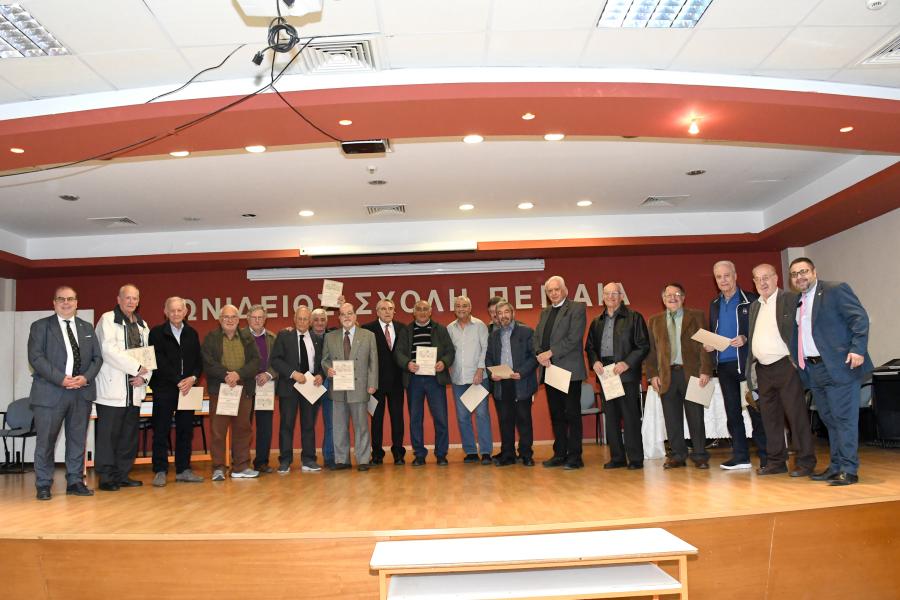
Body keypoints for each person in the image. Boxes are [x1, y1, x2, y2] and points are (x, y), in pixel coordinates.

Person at [789, 257, 873, 486]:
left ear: (814, 272)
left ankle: (849, 469)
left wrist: (857, 349)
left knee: (844, 419)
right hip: (814, 369)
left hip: (840, 366)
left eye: (803, 271)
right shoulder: (798, 301)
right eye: (794, 274)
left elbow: (859, 318)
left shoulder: (835, 290)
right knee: (830, 420)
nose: (799, 277)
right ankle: (836, 466)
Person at [27, 286, 103, 500]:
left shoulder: (86, 327)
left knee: (77, 440)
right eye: (61, 299)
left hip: (81, 392)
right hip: (50, 393)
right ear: (54, 303)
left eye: (70, 299)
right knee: (46, 441)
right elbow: (36, 357)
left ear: (77, 303)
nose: (66, 303)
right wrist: (60, 378)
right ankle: (43, 484)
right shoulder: (41, 327)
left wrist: (85, 377)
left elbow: (97, 358)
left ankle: (75, 481)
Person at [745, 264, 817, 478]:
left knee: (796, 416)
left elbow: (803, 328)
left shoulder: (790, 299)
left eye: (766, 277)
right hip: (763, 369)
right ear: (754, 283)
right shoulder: (754, 306)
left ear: (776, 278)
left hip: (786, 366)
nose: (762, 282)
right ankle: (776, 461)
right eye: (757, 279)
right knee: (770, 418)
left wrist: (796, 360)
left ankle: (805, 461)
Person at [705, 261, 766, 470]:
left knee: (756, 410)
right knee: (732, 413)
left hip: (748, 366)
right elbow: (715, 331)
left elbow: (763, 329)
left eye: (727, 275)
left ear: (735, 276)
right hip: (724, 366)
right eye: (718, 277)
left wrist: (745, 338)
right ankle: (741, 457)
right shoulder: (714, 304)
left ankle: (767, 457)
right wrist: (710, 344)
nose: (723, 280)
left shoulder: (752, 299)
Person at [645, 283, 713, 470]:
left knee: (696, 417)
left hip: (692, 375)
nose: (672, 298)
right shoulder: (654, 321)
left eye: (676, 294)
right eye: (668, 295)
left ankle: (700, 455)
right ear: (663, 299)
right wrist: (652, 375)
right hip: (667, 376)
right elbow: (651, 351)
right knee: (672, 419)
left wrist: (706, 370)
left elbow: (705, 346)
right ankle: (677, 455)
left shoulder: (697, 316)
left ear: (683, 297)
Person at [585, 282, 650, 470]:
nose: (611, 297)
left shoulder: (634, 317)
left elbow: (643, 345)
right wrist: (594, 361)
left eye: (615, 293)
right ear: (602, 297)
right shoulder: (597, 321)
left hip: (626, 374)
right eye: (607, 294)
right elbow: (590, 347)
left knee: (630, 417)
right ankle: (617, 458)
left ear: (621, 296)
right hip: (606, 375)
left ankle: (635, 458)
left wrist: (626, 363)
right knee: (611, 418)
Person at [94, 283, 152, 491]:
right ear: (118, 300)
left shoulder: (142, 325)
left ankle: (122, 475)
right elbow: (108, 351)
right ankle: (106, 477)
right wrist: (137, 368)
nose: (131, 301)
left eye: (135, 298)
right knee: (108, 437)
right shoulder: (108, 319)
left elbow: (148, 356)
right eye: (127, 297)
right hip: (112, 391)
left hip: (134, 391)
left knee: (128, 436)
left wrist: (144, 378)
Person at [147, 296, 204, 486]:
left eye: (180, 310)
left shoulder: (192, 333)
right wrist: (179, 380)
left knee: (185, 431)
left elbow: (198, 361)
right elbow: (159, 361)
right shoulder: (156, 333)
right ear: (166, 312)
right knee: (161, 430)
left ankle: (183, 469)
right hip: (164, 389)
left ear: (185, 312)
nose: (176, 313)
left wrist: (193, 378)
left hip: (188, 389)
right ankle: (160, 470)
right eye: (172, 310)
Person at [201, 304, 260, 480]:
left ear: (238, 320)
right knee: (218, 431)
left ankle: (241, 467)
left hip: (243, 389)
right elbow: (207, 362)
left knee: (243, 429)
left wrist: (238, 374)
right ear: (220, 319)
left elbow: (255, 361)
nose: (230, 320)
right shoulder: (211, 338)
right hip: (220, 390)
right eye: (226, 317)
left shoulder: (247, 338)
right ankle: (218, 468)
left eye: (233, 317)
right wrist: (226, 375)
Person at [534, 275, 587, 470]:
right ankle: (560, 454)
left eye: (557, 289)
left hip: (569, 371)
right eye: (550, 291)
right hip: (550, 370)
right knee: (556, 415)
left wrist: (550, 352)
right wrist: (540, 354)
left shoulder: (577, 308)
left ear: (565, 290)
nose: (554, 293)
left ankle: (575, 457)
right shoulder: (545, 312)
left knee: (572, 415)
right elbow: (537, 337)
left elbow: (574, 338)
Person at [394, 300, 455, 467]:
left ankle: (441, 454)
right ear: (414, 313)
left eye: (425, 309)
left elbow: (450, 351)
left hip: (435, 379)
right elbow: (398, 352)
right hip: (414, 379)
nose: (422, 312)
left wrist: (444, 362)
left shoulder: (440, 329)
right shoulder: (406, 330)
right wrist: (407, 364)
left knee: (441, 418)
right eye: (419, 309)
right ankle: (419, 454)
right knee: (415, 418)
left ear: (430, 312)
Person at [321, 303, 378, 471]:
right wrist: (328, 369)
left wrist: (372, 383)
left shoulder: (368, 335)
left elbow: (373, 362)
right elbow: (324, 360)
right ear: (339, 317)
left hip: (360, 387)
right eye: (343, 314)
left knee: (361, 426)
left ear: (355, 316)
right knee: (339, 426)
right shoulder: (330, 337)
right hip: (338, 387)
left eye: (350, 313)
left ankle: (363, 459)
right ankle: (342, 460)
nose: (346, 316)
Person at [270, 306, 324, 474]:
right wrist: (293, 373)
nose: (302, 322)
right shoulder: (284, 336)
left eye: (305, 319)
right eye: (299, 318)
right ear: (294, 320)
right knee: (286, 425)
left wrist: (321, 375)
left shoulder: (317, 338)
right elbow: (275, 360)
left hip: (310, 387)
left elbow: (322, 361)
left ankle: (309, 459)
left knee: (308, 424)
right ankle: (285, 460)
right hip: (289, 387)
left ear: (310, 321)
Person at [485, 300, 538, 467]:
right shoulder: (493, 335)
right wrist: (491, 373)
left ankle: (526, 454)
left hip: (521, 381)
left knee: (524, 420)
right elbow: (488, 358)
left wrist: (521, 372)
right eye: (499, 313)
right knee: (505, 421)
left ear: (513, 313)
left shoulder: (526, 331)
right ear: (496, 316)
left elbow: (534, 356)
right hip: (501, 383)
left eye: (506, 312)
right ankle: (508, 455)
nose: (503, 316)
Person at [447, 296, 492, 465]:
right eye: (458, 306)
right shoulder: (450, 328)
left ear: (470, 307)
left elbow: (485, 349)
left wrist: (480, 370)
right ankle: (471, 451)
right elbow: (448, 351)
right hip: (458, 379)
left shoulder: (480, 325)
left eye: (464, 306)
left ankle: (486, 452)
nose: (461, 309)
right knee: (462, 416)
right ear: (454, 309)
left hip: (478, 379)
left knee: (482, 415)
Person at [362, 298, 408, 465]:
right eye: (383, 308)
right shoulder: (367, 329)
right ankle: (377, 454)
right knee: (376, 420)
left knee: (397, 419)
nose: (387, 311)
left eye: (390, 308)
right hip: (376, 383)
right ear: (377, 312)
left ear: (394, 311)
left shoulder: (402, 328)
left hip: (397, 382)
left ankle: (398, 453)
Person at [244, 305, 277, 473]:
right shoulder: (240, 336)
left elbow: (279, 361)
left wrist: (269, 374)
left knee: (265, 427)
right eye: (254, 317)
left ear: (265, 319)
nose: (257, 321)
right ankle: (241, 462)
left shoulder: (273, 338)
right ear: (248, 318)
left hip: (266, 387)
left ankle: (262, 462)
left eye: (260, 317)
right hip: (245, 387)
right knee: (243, 426)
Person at [311, 307, 336, 468]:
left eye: (323, 320)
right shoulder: (303, 336)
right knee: (309, 423)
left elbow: (354, 327)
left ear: (327, 322)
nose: (319, 323)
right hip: (310, 384)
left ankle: (329, 457)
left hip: (329, 383)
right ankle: (309, 458)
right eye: (316, 320)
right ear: (310, 322)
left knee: (331, 423)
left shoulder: (333, 335)